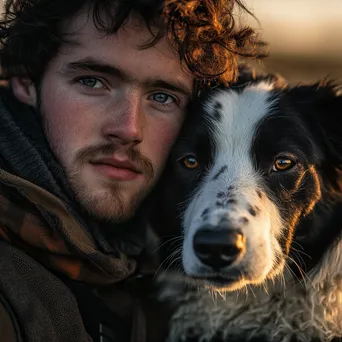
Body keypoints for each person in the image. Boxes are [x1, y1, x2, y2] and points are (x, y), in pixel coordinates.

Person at [0, 0, 265, 341]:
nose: (129, 129)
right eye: (92, 82)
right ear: (26, 82)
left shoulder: (157, 269)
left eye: (162, 97)